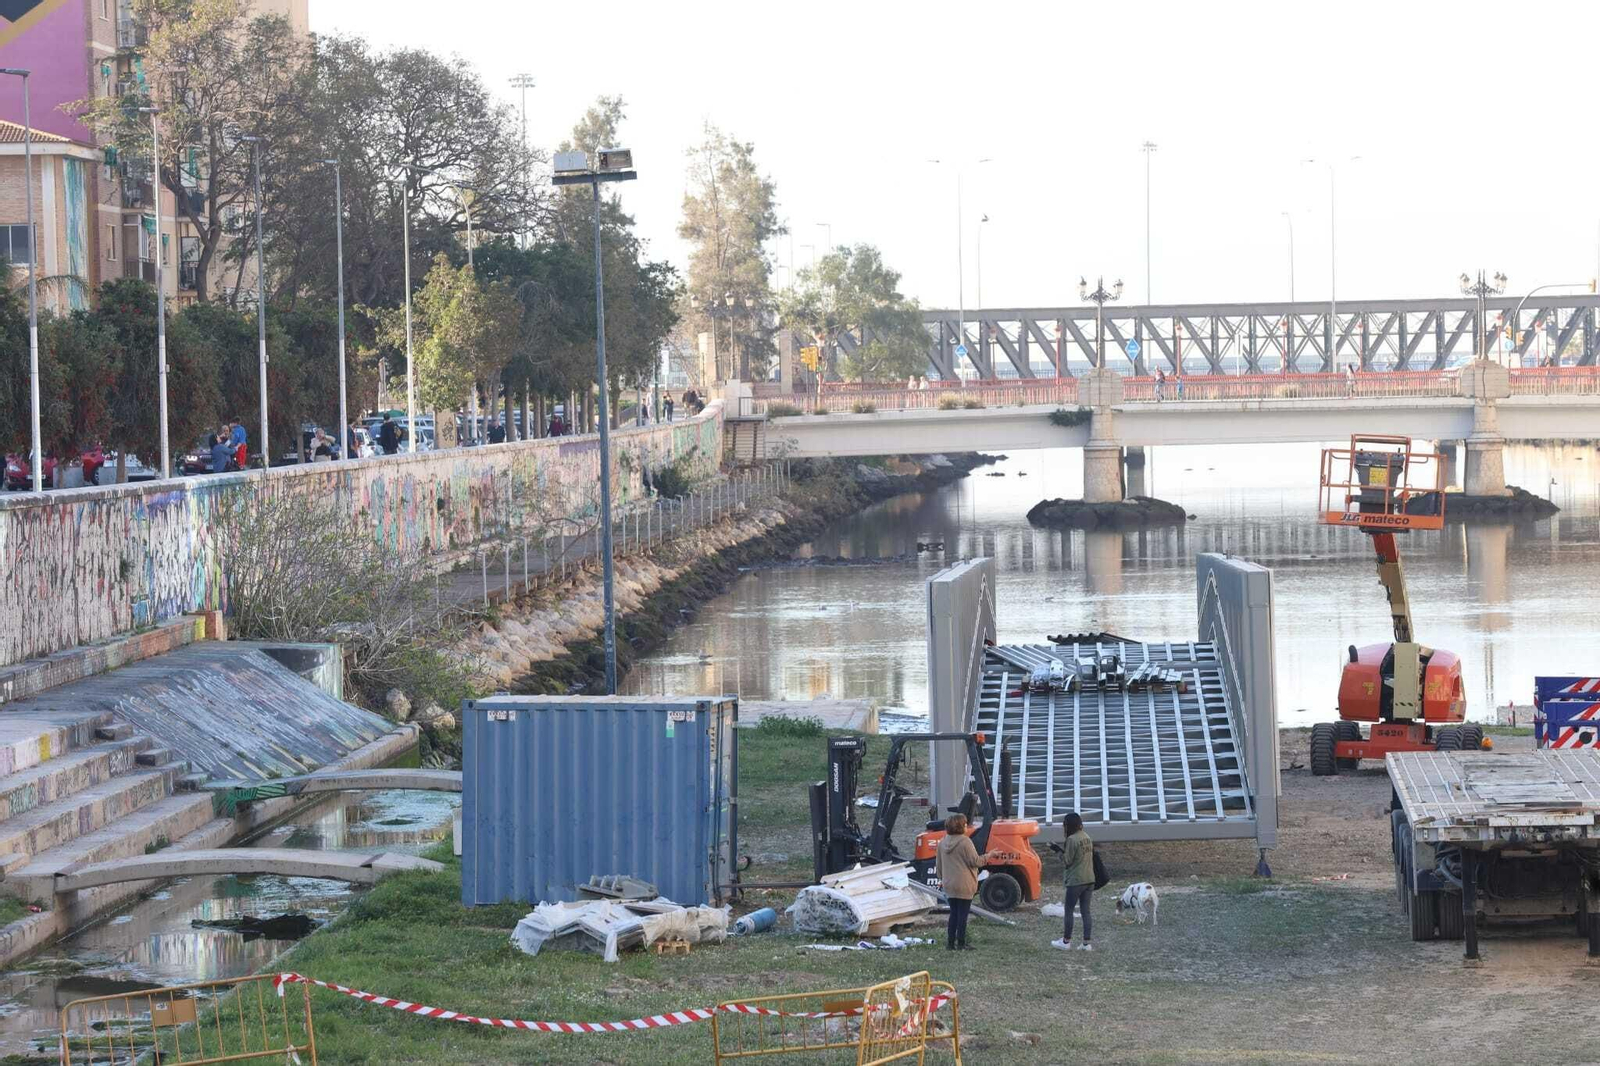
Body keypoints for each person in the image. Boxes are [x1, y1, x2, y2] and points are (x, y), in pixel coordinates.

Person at [936, 813, 981, 951]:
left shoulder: (942, 842)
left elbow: (939, 864)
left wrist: (942, 879)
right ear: (961, 826)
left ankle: (950, 943)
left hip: (949, 884)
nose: (967, 826)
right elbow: (975, 861)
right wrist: (989, 856)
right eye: (965, 824)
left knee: (954, 914)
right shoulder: (965, 842)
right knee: (963, 915)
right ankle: (961, 943)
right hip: (964, 884)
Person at [1052, 812, 1094, 951]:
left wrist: (1057, 851)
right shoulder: (1086, 837)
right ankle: (1086, 943)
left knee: (1068, 910)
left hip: (1076, 880)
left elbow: (1067, 862)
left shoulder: (1071, 839)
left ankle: (1066, 941)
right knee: (1085, 911)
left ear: (1068, 825)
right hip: (1089, 879)